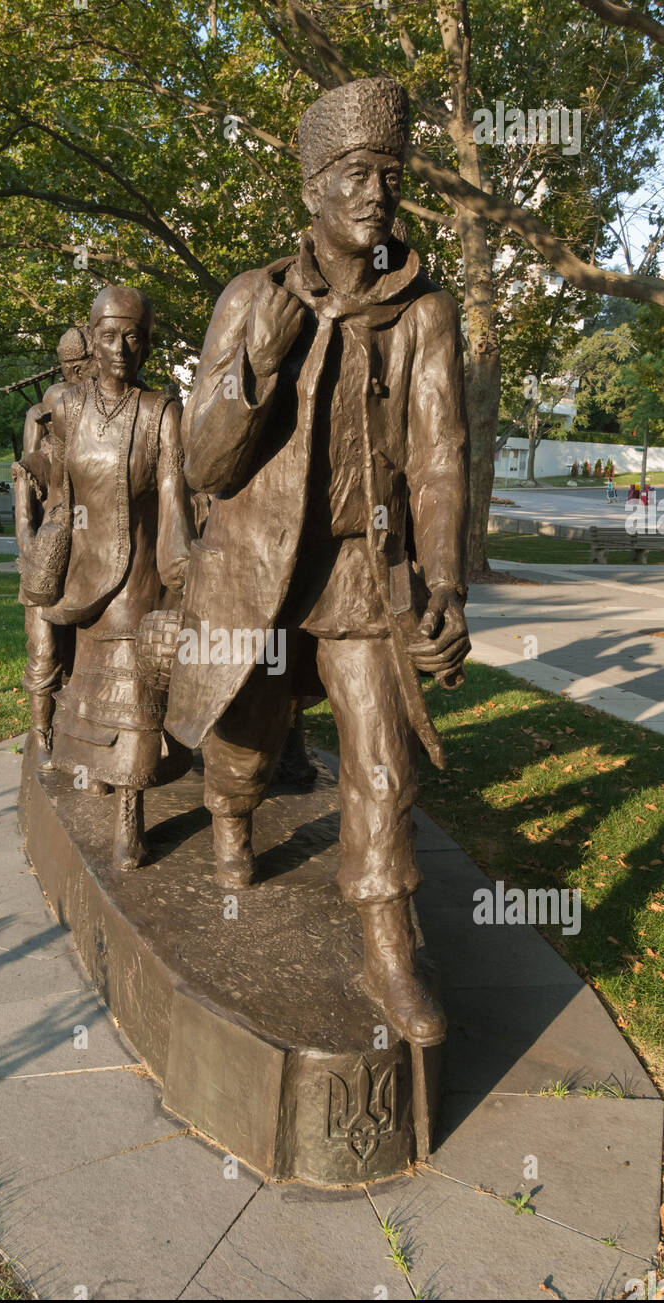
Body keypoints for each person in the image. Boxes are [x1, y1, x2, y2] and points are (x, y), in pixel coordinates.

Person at [166, 76, 470, 1046]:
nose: (375, 192)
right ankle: (227, 821)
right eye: (353, 173)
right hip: (260, 570)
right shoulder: (249, 298)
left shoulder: (422, 313)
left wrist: (444, 583)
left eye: (389, 173)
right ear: (310, 190)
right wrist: (261, 356)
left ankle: (386, 947)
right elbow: (202, 459)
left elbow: (436, 458)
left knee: (380, 763)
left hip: (356, 576)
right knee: (245, 736)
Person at [42, 286, 194, 870]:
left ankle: (131, 813)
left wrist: (181, 576)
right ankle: (94, 770)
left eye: (133, 335)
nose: (121, 347)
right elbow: (59, 487)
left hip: (138, 575)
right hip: (84, 574)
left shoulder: (160, 410)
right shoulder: (65, 404)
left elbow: (173, 498)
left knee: (135, 695)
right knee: (86, 685)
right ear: (91, 336)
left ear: (147, 342)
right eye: (108, 334)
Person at [13, 326, 91, 753]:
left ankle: (80, 728)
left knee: (83, 647)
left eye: (83, 368)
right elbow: (24, 506)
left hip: (90, 543)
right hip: (50, 544)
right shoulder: (42, 422)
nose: (78, 375)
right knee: (44, 651)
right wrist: (30, 546)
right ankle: (41, 734)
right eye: (72, 369)